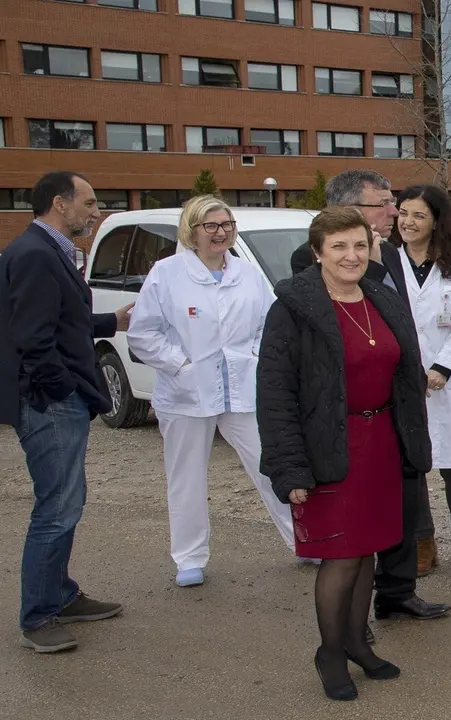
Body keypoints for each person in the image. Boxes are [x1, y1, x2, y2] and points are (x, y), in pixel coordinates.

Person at [258, 206, 432, 701]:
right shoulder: (293, 308)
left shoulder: (381, 297)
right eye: (338, 246)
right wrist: (289, 467)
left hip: (382, 444)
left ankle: (357, 641)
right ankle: (330, 652)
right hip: (328, 446)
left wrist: (414, 441)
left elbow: (405, 376)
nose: (351, 256)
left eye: (359, 245)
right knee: (341, 554)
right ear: (317, 252)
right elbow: (274, 393)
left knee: (368, 547)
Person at [291, 170, 451, 626]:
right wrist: (372, 263)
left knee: (404, 503)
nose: (393, 211)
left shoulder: (394, 251)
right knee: (356, 525)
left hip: (396, 404)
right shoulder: (310, 259)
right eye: (382, 203)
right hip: (347, 416)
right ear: (349, 210)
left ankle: (398, 592)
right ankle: (348, 631)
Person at [126, 195, 295, 587]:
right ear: (192, 231)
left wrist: (253, 356)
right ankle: (189, 558)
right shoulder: (166, 274)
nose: (221, 233)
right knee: (186, 478)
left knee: (272, 465)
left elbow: (270, 324)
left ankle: (303, 541)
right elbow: (142, 334)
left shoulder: (247, 274)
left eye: (227, 225)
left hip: (242, 388)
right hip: (186, 393)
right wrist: (180, 364)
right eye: (211, 226)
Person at [0, 171, 132, 653]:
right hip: (48, 403)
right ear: (60, 203)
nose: (96, 212)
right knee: (57, 508)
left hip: (54, 399)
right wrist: (62, 391)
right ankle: (38, 616)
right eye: (90, 203)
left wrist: (110, 321)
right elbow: (33, 339)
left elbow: (59, 319)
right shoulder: (35, 254)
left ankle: (60, 593)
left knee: (66, 502)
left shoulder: (44, 250)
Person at [393, 184, 451, 574]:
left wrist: (443, 367)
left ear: (436, 221)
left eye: (419, 215)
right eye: (403, 213)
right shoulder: (388, 261)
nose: (408, 222)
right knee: (412, 465)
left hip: (447, 378)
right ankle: (422, 541)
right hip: (402, 376)